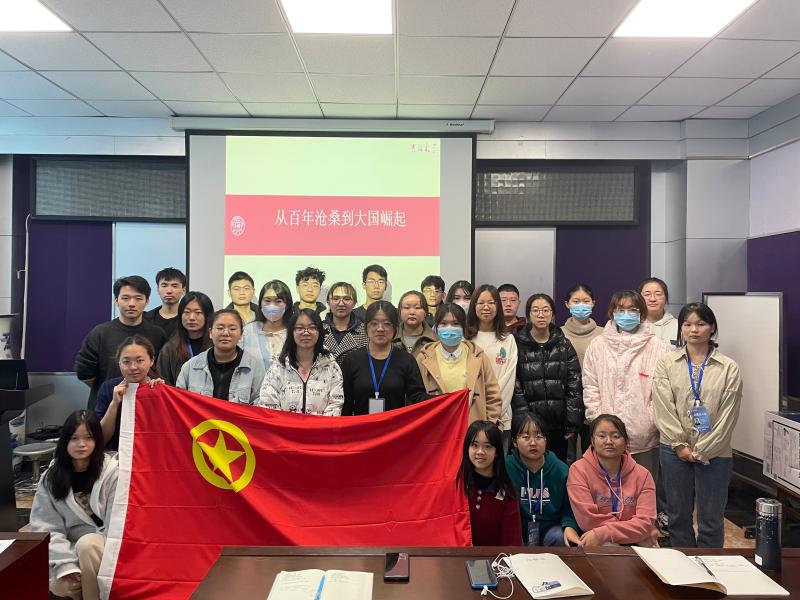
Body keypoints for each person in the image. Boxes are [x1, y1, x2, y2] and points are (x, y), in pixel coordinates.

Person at [652, 303, 743, 548]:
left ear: (712, 328)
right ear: (681, 328)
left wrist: (703, 450)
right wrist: (680, 444)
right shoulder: (666, 363)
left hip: (716, 452)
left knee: (711, 519)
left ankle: (711, 565)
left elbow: (728, 415)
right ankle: (684, 563)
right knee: (678, 516)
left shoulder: (728, 368)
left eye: (701, 324)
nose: (694, 330)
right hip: (674, 450)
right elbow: (662, 406)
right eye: (688, 324)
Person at [582, 290, 669, 483]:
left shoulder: (657, 347)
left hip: (644, 438)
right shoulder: (597, 345)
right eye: (621, 309)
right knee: (605, 491)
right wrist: (598, 419)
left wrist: (649, 421)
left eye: (632, 309)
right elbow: (590, 385)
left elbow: (662, 392)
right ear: (612, 312)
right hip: (606, 437)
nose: (626, 314)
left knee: (643, 490)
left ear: (642, 313)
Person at [29, 410, 118, 600]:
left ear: (98, 440)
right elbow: (46, 528)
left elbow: (117, 524)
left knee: (88, 545)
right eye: (74, 438)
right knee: (61, 586)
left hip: (103, 547)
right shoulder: (51, 478)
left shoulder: (113, 473)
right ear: (65, 441)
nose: (81, 444)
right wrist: (66, 565)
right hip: (68, 550)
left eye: (88, 437)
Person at [74, 276, 166, 409]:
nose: (132, 303)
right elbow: (84, 373)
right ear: (116, 301)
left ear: (147, 301)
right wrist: (107, 389)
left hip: (145, 407)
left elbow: (161, 371)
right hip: (106, 406)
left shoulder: (158, 334)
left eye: (138, 298)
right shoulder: (100, 333)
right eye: (125, 298)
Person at [567, 414, 658, 547]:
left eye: (616, 436)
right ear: (592, 441)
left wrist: (608, 532)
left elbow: (646, 522)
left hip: (630, 538)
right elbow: (587, 519)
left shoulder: (643, 475)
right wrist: (635, 535)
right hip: (597, 537)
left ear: (626, 441)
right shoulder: (579, 470)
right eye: (602, 436)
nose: (609, 441)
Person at [511, 293, 583, 462]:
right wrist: (525, 419)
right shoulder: (517, 344)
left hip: (558, 424)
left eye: (545, 310)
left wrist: (571, 422)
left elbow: (574, 383)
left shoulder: (563, 344)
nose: (541, 315)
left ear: (553, 314)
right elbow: (514, 383)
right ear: (528, 315)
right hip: (528, 425)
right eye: (536, 310)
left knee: (556, 467)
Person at [416, 303, 502, 426]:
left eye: (455, 324)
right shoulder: (423, 358)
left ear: (464, 327)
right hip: (437, 428)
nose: (449, 328)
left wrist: (489, 426)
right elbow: (416, 398)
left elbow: (493, 395)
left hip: (473, 429)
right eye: (444, 323)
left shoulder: (478, 356)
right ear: (436, 327)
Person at [505, 412, 580, 546]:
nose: (533, 443)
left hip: (549, 529)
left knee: (560, 537)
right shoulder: (506, 467)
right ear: (515, 441)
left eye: (539, 436)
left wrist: (569, 526)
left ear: (546, 440)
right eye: (526, 437)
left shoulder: (560, 469)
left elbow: (569, 508)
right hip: (517, 529)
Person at [341, 301, 427, 415]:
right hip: (361, 425)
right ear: (366, 327)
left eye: (387, 324)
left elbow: (418, 397)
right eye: (374, 323)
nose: (380, 329)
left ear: (395, 328)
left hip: (395, 425)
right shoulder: (351, 360)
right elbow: (345, 403)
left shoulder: (406, 360)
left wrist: (447, 400)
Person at [257, 309, 344, 415]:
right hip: (283, 425)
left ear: (319, 332)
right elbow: (267, 404)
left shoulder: (331, 366)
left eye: (312, 327)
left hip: (321, 426)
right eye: (299, 328)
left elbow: (335, 404)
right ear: (291, 332)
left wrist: (318, 425)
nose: (306, 332)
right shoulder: (278, 367)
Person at [176, 309, 265, 404]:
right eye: (220, 328)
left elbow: (260, 405)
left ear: (241, 334)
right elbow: (178, 402)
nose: (226, 333)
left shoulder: (255, 368)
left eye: (232, 329)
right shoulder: (190, 367)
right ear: (210, 333)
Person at [457, 420, 521, 546]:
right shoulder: (457, 485)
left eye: (487, 446)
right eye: (475, 445)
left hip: (496, 557)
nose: (480, 451)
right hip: (459, 556)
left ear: (497, 452)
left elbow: (512, 543)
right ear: (467, 448)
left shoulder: (508, 493)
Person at [465, 284, 518, 439]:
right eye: (481, 303)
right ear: (474, 306)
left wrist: (494, 413)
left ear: (498, 306)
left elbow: (508, 380)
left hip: (501, 418)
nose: (486, 307)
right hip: (470, 415)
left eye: (491, 303)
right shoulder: (465, 339)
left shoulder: (508, 339)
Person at [95, 336, 163, 451]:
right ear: (119, 363)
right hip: (116, 455)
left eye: (139, 361)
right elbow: (100, 439)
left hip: (151, 454)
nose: (133, 367)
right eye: (126, 362)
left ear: (152, 361)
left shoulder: (160, 388)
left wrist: (161, 394)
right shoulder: (108, 388)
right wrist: (114, 404)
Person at [561, 283, 603, 456]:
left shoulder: (604, 335)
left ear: (593, 303)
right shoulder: (558, 334)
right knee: (566, 456)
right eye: (576, 301)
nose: (581, 305)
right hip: (566, 405)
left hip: (595, 403)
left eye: (586, 301)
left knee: (593, 455)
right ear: (567, 304)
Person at [156, 291, 214, 385]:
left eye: (198, 312)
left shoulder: (215, 346)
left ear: (207, 316)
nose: (191, 318)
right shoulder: (170, 348)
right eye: (186, 312)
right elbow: (163, 381)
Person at [242, 280, 293, 369]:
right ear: (260, 303)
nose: (272, 306)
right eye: (267, 301)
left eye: (278, 301)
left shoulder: (294, 332)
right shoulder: (248, 331)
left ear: (287, 305)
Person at [321, 281, 368, 366]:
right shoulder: (318, 329)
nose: (341, 303)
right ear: (328, 302)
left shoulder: (365, 332)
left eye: (347, 299)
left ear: (354, 303)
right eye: (336, 299)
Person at [143, 267, 186, 340]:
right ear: (158, 289)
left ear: (183, 290)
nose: (169, 291)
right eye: (164, 286)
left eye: (174, 286)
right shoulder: (145, 319)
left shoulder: (189, 319)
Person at [392, 290, 436, 357]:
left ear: (425, 312)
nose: (412, 312)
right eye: (407, 308)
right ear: (400, 312)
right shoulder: (391, 337)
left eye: (417, 308)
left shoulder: (435, 341)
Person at [639, 277, 679, 347]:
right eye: (647, 294)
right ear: (639, 298)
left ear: (666, 298)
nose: (652, 299)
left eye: (658, 294)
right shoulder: (632, 325)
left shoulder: (679, 326)